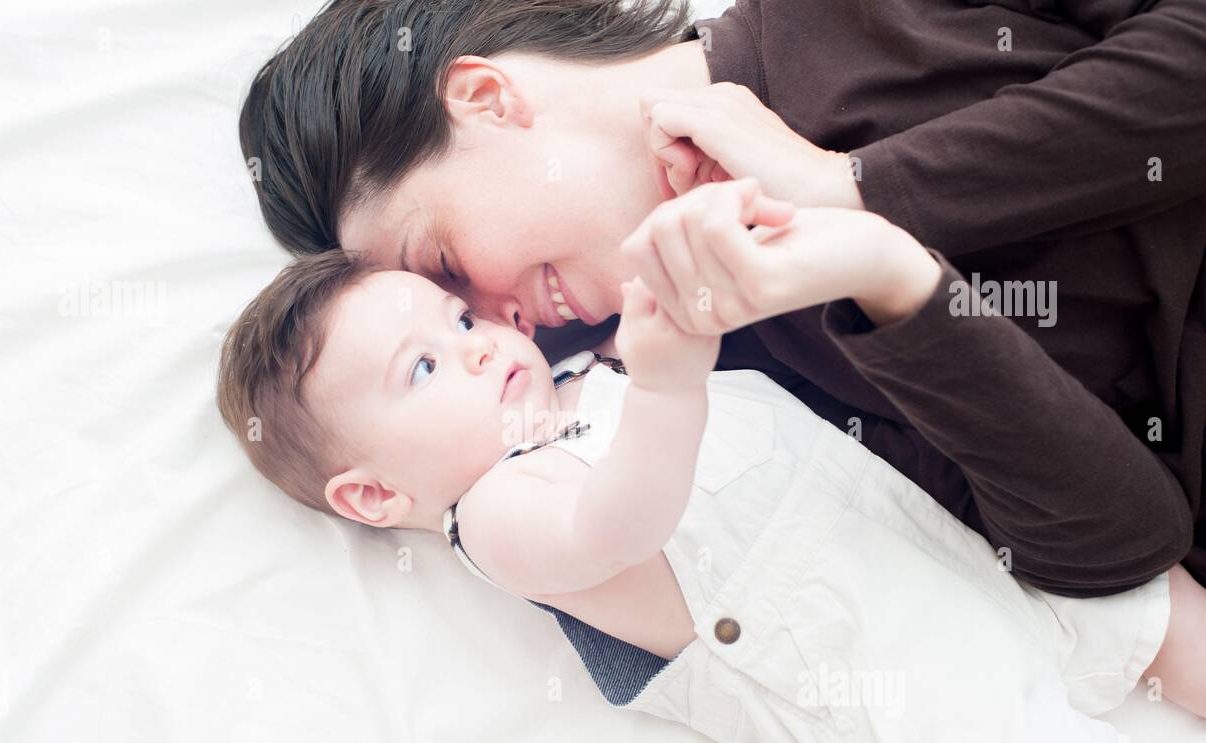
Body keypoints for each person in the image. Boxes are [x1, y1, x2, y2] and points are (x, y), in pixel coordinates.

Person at [215, 180, 1206, 743]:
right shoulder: (497, 512)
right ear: (375, 496)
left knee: (1148, 606)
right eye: (423, 368)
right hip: (886, 690)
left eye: (459, 318)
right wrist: (666, 379)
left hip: (947, 550)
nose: (477, 345)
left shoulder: (577, 377)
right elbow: (619, 526)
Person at [238, 0, 1204, 603]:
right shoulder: (719, 383)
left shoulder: (849, 20)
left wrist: (859, 189)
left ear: (487, 98)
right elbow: (1121, 544)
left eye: (446, 263)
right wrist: (890, 279)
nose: (499, 323)